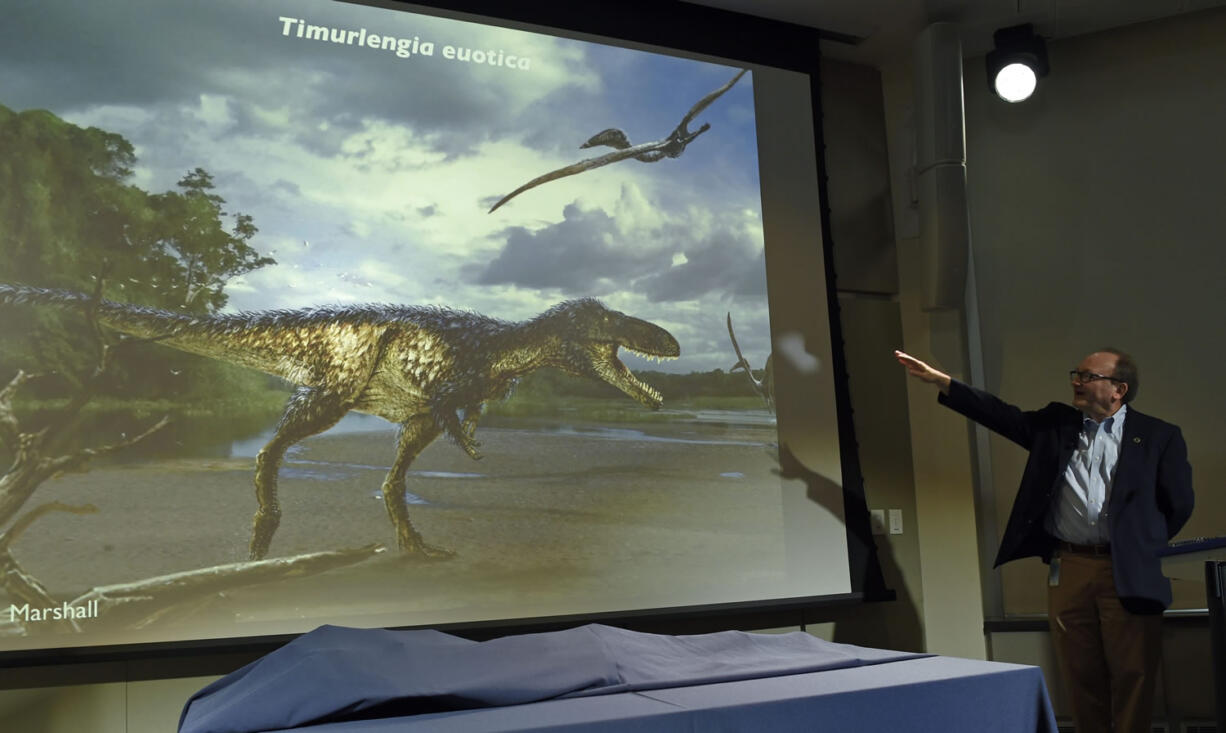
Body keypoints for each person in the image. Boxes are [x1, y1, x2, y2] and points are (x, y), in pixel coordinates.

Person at [894, 348, 1193, 733]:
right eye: (1076, 374)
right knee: (1079, 671)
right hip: (1069, 566)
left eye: (1087, 376)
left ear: (1119, 389)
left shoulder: (1158, 436)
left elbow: (1179, 503)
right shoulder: (1057, 424)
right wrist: (943, 382)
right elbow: (1003, 415)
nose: (1076, 382)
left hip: (1129, 568)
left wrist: (1140, 543)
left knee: (1133, 672)